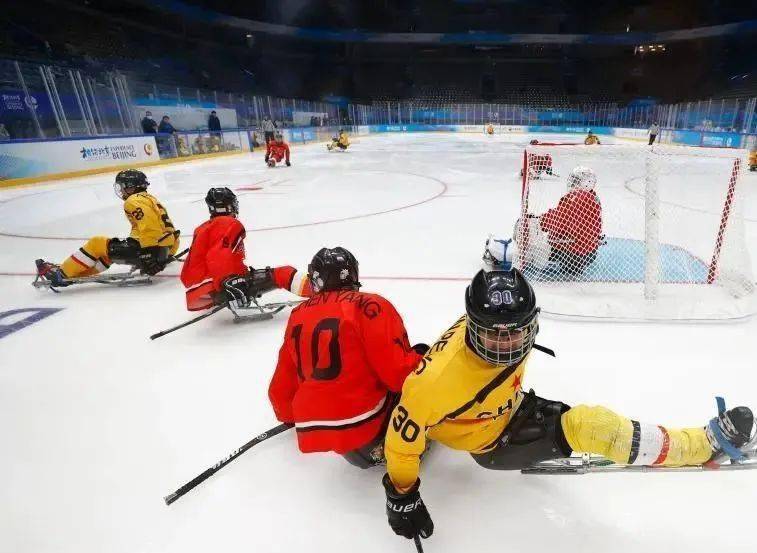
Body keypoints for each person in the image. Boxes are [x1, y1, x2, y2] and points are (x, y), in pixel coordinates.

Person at [381, 268, 755, 542]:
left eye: (519, 331)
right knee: (590, 425)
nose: (509, 344)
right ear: (472, 326)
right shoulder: (432, 385)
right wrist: (403, 496)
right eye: (494, 337)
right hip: (494, 442)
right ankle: (699, 445)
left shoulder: (488, 325)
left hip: (505, 408)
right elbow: (400, 440)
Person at [268, 247, 428, 468]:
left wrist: (287, 414)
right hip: (369, 431)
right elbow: (398, 374)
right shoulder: (370, 305)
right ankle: (407, 439)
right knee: (422, 354)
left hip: (326, 435)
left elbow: (283, 380)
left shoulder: (297, 315)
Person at [35, 170, 180, 286]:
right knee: (107, 252)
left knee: (97, 243)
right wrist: (166, 254)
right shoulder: (150, 199)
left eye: (122, 187)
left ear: (130, 187)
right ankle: (72, 273)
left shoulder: (133, 200)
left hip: (151, 252)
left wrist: (149, 256)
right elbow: (169, 231)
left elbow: (150, 228)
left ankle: (61, 274)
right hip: (162, 250)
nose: (122, 191)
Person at [180, 187, 310, 311]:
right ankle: (319, 291)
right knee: (283, 273)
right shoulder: (230, 224)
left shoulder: (202, 228)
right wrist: (229, 282)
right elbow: (218, 255)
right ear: (230, 206)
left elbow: (192, 270)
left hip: (199, 292)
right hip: (219, 286)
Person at [507, 166, 602, 276]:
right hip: (589, 253)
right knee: (544, 235)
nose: (572, 182)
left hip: (573, 255)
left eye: (576, 180)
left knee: (535, 244)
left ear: (586, 183)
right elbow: (566, 218)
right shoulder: (592, 197)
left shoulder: (577, 197)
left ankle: (521, 256)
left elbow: (560, 219)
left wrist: (540, 221)